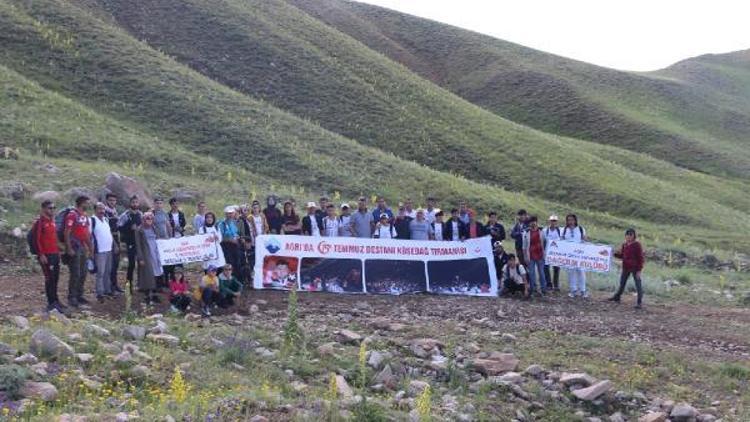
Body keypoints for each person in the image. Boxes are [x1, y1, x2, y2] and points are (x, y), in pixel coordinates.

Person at [33, 200, 64, 312]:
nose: (52, 210)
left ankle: (56, 300)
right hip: (46, 255)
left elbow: (54, 238)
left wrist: (59, 250)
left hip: (55, 254)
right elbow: (36, 240)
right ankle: (51, 303)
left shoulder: (52, 221)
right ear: (44, 209)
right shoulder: (40, 222)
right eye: (50, 208)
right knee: (49, 279)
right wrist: (41, 254)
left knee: (55, 278)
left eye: (53, 208)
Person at [64, 195, 93, 308]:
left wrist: (90, 248)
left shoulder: (84, 216)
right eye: (87, 202)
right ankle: (72, 297)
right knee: (75, 273)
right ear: (81, 203)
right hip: (74, 246)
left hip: (82, 246)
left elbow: (86, 234)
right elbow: (67, 232)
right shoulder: (72, 215)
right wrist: (69, 248)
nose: (88, 204)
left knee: (83, 272)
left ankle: (79, 295)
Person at [609, 228, 646, 309]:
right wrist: (613, 254)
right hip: (626, 267)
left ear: (634, 236)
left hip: (635, 268)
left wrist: (639, 270)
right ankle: (617, 297)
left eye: (631, 235)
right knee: (622, 283)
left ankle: (639, 302)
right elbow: (622, 255)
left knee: (638, 284)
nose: (629, 236)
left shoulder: (637, 245)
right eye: (627, 235)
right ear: (625, 236)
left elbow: (640, 258)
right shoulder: (625, 244)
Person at [134, 211, 163, 305]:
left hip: (155, 254)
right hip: (146, 255)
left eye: (151, 218)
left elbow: (159, 241)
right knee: (147, 275)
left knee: (156, 274)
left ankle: (154, 295)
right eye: (147, 218)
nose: (149, 220)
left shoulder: (154, 228)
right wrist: (141, 258)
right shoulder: (139, 230)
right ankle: (147, 296)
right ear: (143, 219)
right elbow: (138, 245)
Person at [118, 195, 143, 291]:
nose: (135, 204)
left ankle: (141, 284)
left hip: (140, 243)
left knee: (141, 263)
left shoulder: (141, 214)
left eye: (136, 202)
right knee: (131, 264)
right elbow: (119, 227)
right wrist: (129, 227)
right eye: (133, 202)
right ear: (130, 203)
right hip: (130, 242)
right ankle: (129, 285)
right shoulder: (125, 215)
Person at [91, 202, 114, 303]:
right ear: (95, 210)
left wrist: (115, 245)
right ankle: (100, 293)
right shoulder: (92, 220)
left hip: (108, 249)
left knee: (108, 271)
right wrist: (91, 251)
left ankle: (107, 290)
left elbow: (109, 233)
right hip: (99, 251)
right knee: (100, 272)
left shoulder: (106, 220)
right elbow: (89, 236)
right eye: (100, 209)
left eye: (103, 209)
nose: (102, 211)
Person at [562, 214, 589, 298]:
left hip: (579, 255)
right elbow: (561, 242)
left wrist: (585, 239)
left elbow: (585, 241)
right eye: (568, 220)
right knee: (571, 272)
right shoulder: (564, 230)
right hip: (569, 255)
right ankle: (573, 290)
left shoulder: (581, 229)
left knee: (581, 271)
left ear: (575, 220)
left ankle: (583, 290)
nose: (570, 222)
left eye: (572, 220)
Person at [104, 193, 124, 294]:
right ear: (107, 200)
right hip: (111, 240)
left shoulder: (114, 211)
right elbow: (108, 230)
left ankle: (115, 285)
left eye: (114, 200)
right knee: (111, 265)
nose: (112, 202)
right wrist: (115, 244)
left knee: (116, 264)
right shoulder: (105, 212)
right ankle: (110, 287)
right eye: (110, 200)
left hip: (117, 238)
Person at [522, 216, 548, 296]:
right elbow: (524, 246)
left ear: (537, 222)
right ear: (529, 223)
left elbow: (546, 242)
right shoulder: (526, 232)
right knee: (531, 274)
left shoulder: (542, 231)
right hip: (531, 256)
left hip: (540, 255)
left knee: (541, 273)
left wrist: (545, 254)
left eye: (534, 221)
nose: (533, 223)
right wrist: (525, 257)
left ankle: (543, 289)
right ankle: (533, 289)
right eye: (531, 221)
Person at [164, 197, 186, 282]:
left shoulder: (181, 214)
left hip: (180, 238)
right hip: (171, 238)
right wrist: (173, 229)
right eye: (173, 204)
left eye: (176, 203)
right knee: (172, 259)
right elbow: (166, 226)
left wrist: (181, 229)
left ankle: (181, 279)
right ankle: (172, 278)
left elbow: (184, 224)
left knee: (180, 259)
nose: (175, 205)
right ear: (170, 205)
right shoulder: (167, 215)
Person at [218, 206, 241, 278]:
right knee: (228, 262)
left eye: (232, 213)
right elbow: (220, 238)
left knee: (236, 262)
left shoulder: (234, 222)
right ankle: (227, 278)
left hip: (234, 246)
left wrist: (238, 237)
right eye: (228, 213)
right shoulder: (221, 224)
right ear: (225, 214)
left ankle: (234, 278)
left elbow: (236, 233)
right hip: (226, 247)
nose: (230, 215)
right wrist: (229, 240)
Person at [543, 215, 562, 292]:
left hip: (556, 254)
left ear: (557, 222)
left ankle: (556, 285)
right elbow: (543, 241)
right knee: (546, 268)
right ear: (549, 221)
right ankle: (548, 284)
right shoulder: (545, 231)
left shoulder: (560, 231)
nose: (553, 222)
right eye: (552, 220)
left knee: (556, 269)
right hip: (547, 253)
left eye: (555, 221)